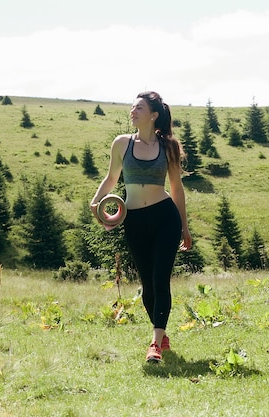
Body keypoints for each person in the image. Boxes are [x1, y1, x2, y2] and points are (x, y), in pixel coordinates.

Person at [90, 91, 192, 363]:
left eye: (140, 108)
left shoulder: (168, 146)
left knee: (161, 279)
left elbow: (176, 188)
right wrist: (96, 199)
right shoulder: (122, 143)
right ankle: (162, 334)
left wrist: (184, 226)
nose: (133, 111)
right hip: (134, 219)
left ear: (154, 115)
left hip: (164, 217)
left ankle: (155, 344)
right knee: (147, 284)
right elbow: (111, 178)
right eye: (132, 107)